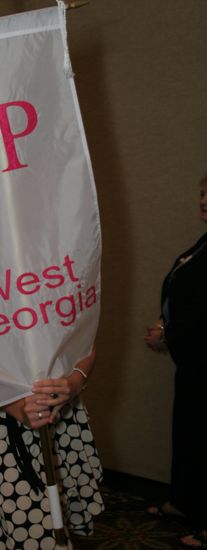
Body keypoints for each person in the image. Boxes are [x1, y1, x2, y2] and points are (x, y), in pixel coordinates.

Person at [0, 347, 104, 549]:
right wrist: (18, 409)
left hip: (62, 413)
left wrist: (74, 383)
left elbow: (86, 341)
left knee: (61, 515)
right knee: (31, 530)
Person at [145, 174, 207, 549]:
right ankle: (186, 501)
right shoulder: (203, 242)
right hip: (194, 364)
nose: (203, 200)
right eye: (202, 192)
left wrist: (167, 333)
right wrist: (164, 322)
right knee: (188, 434)